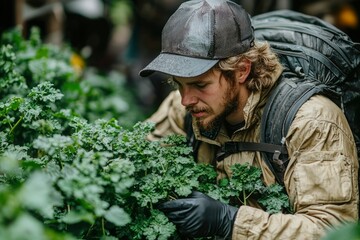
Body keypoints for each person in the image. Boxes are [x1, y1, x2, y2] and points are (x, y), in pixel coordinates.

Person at [139, 0, 359, 239]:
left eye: (200, 84)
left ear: (242, 70)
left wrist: (230, 221)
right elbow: (138, 159)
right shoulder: (183, 108)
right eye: (178, 84)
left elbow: (333, 230)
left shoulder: (311, 121)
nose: (185, 100)